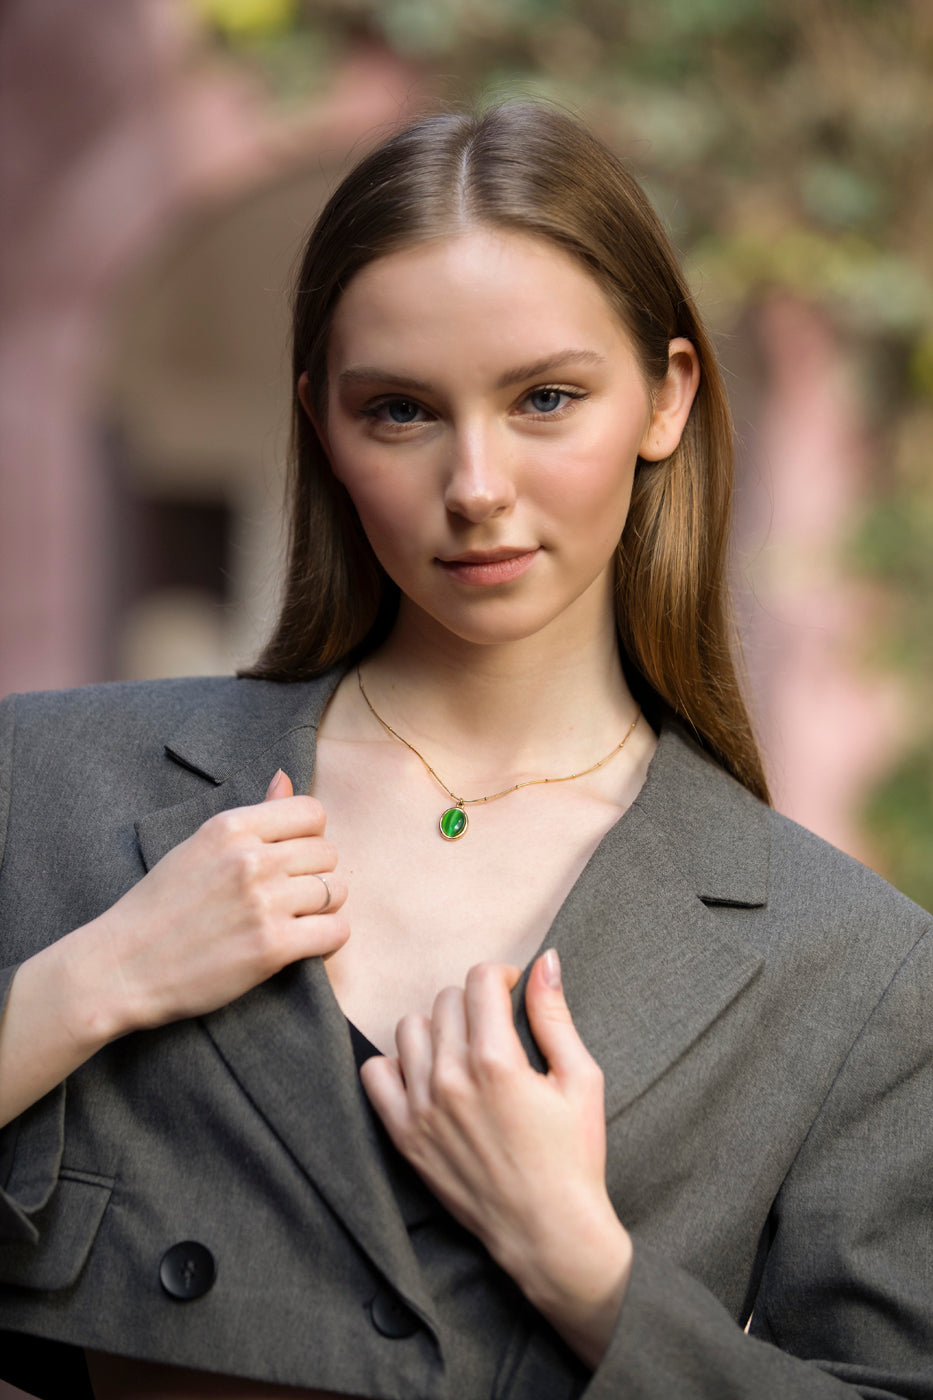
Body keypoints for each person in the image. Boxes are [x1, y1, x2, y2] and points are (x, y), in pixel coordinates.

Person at [0, 103, 930, 1400]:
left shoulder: (850, 967)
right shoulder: (46, 794)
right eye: (400, 411)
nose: (477, 482)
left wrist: (587, 1272)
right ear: (321, 419)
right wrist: (83, 989)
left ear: (664, 397)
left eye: (545, 397)